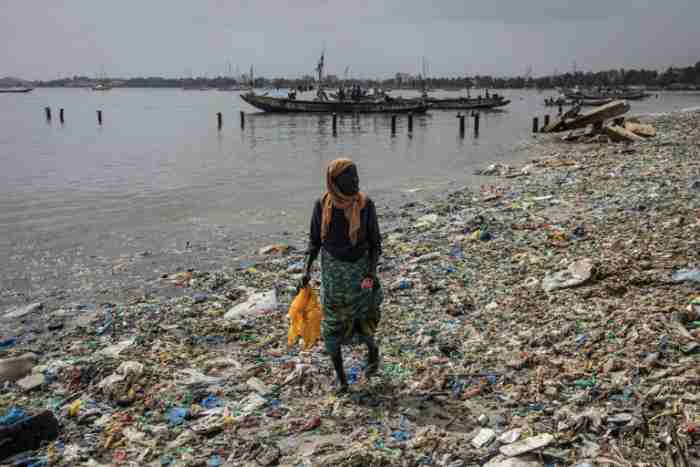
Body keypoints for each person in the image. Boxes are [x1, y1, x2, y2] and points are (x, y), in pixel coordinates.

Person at [299, 158, 383, 394]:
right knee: (332, 326)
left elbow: (376, 244)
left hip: (361, 275)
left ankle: (373, 352)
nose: (356, 182)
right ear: (334, 183)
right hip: (333, 277)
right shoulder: (322, 205)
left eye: (357, 176)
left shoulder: (366, 205)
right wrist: (305, 271)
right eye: (350, 178)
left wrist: (370, 272)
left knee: (363, 321)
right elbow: (314, 242)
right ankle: (342, 379)